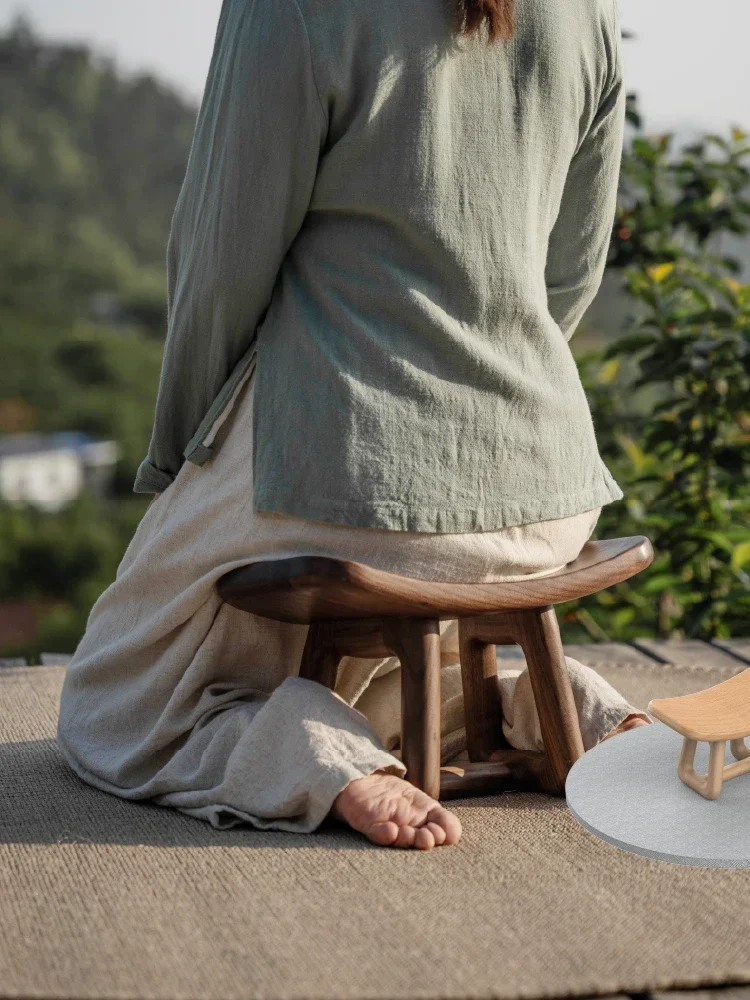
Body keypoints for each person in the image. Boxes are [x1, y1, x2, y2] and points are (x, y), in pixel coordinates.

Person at [57, 0, 652, 852]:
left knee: (117, 700)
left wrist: (181, 451)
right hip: (544, 489)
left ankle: (320, 758)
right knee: (388, 662)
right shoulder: (587, 8)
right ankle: (567, 713)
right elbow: (573, 269)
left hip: (346, 480)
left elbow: (221, 263)